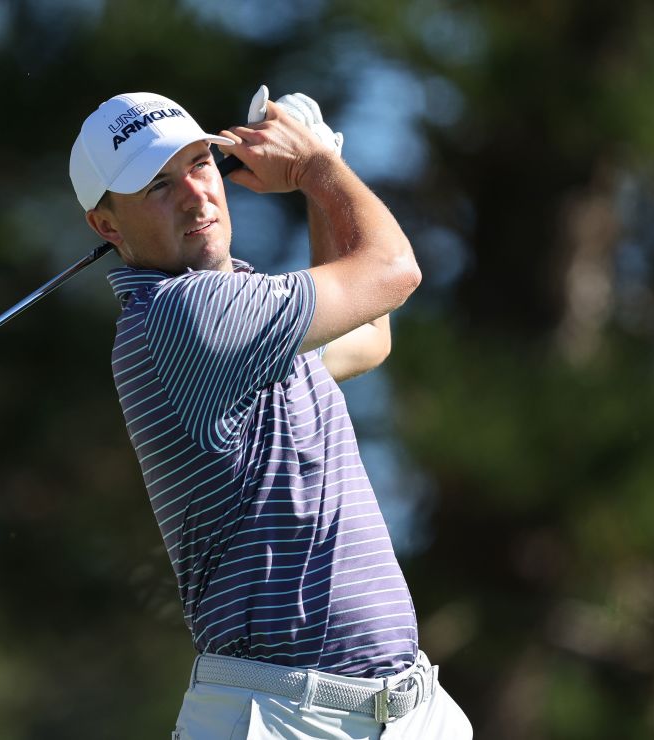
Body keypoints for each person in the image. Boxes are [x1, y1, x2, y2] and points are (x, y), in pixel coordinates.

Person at [70, 89, 472, 740]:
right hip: (286, 718)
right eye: (156, 186)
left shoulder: (238, 313)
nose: (197, 194)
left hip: (399, 711)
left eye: (201, 164)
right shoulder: (188, 318)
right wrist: (316, 168)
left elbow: (368, 334)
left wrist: (320, 179)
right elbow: (393, 271)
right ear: (107, 226)